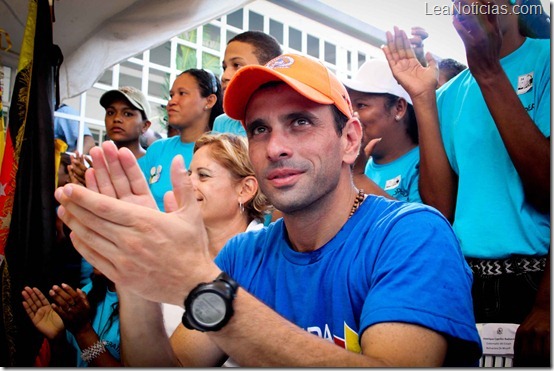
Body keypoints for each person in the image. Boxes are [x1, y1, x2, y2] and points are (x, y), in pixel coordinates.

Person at [55, 52, 482, 367]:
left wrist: (200, 283)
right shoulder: (245, 255)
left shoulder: (411, 234)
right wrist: (134, 276)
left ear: (350, 140)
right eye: (260, 129)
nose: (275, 147)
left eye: (300, 121)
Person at [382, 0, 550, 365]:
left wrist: (547, 302)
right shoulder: (449, 94)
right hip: (467, 282)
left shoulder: (547, 58)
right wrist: (424, 99)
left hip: (536, 281)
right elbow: (441, 208)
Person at [161, 132, 271, 337]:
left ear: (245, 189)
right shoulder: (172, 253)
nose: (186, 183)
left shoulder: (270, 261)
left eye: (203, 175)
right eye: (188, 174)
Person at [138, 68, 223, 210]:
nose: (172, 102)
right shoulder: (158, 149)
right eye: (171, 95)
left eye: (182, 93)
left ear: (209, 101)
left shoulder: (223, 151)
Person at [342, 59, 421, 203]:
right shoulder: (360, 165)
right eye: (349, 106)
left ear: (399, 108)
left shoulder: (422, 164)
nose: (351, 115)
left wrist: (359, 178)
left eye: (361, 105)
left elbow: (422, 222)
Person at [21, 269, 121, 367]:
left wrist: (83, 331)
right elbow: (77, 358)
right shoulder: (89, 291)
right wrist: (59, 336)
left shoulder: (134, 311)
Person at [212, 31, 282, 137]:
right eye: (224, 67)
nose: (224, 76)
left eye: (237, 65)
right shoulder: (221, 124)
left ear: (268, 71)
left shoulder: (286, 123)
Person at [99, 86, 152, 159]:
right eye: (111, 112)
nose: (116, 119)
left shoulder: (153, 164)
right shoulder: (100, 162)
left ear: (145, 126)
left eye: (127, 114)